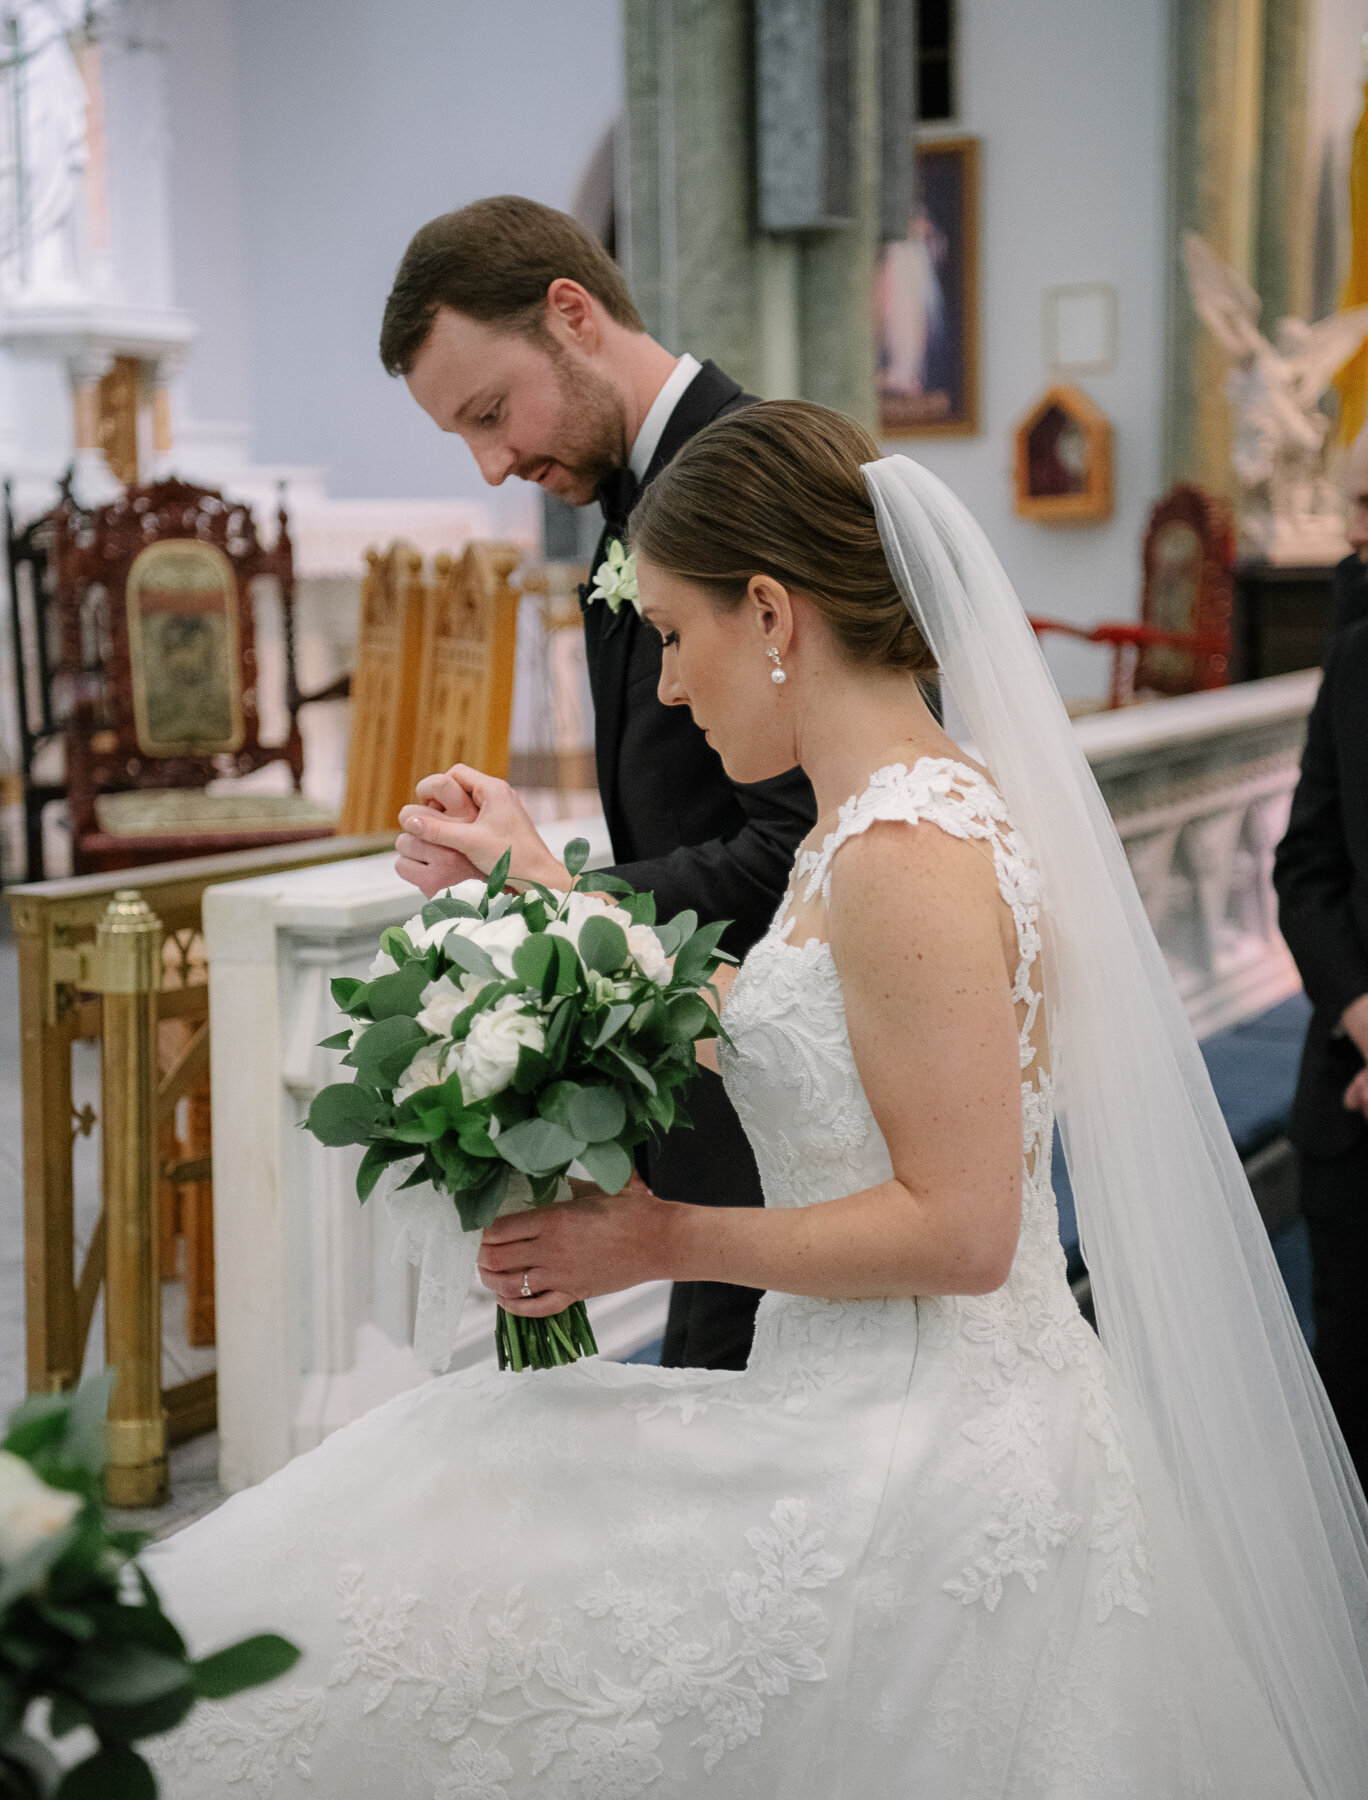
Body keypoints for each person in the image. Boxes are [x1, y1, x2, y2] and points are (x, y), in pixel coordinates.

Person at [144, 404, 1368, 1799]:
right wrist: (545, 892)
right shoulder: (873, 813)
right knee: (460, 1480)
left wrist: (654, 1242)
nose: (666, 686)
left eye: (672, 634)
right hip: (858, 1398)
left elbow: (962, 1233)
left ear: (773, 612)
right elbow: (794, 1035)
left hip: (919, 1455)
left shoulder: (905, 849)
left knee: (462, 1503)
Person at [378, 196, 815, 1370]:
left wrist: (562, 894)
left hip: (799, 1113)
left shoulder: (755, 474)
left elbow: (807, 841)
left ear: (571, 314)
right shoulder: (633, 493)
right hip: (712, 1088)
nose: (492, 464)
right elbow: (684, 800)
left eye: (489, 411)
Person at [1274, 613, 1368, 1478]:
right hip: (1352, 1109)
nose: (1355, 537)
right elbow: (1305, 870)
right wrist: (1360, 1009)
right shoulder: (1354, 655)